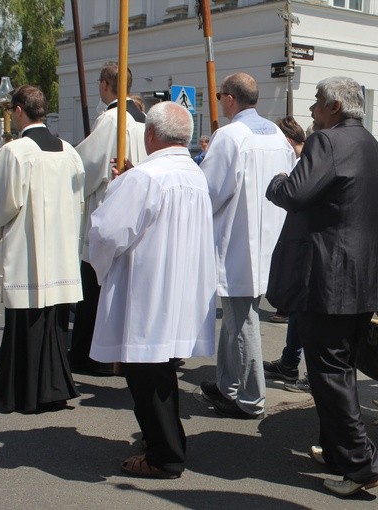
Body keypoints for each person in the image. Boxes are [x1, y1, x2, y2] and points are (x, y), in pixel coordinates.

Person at [266, 76, 378, 497]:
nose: (312, 110)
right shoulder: (373, 147)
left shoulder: (327, 142)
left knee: (330, 374)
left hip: (330, 281)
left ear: (335, 106)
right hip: (363, 282)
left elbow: (296, 193)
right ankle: (339, 451)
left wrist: (277, 181)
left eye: (317, 102)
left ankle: (362, 464)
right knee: (341, 371)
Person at [88, 101, 217, 479]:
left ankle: (165, 455)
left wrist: (117, 190)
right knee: (160, 370)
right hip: (180, 285)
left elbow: (107, 233)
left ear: (149, 135)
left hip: (148, 288)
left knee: (147, 374)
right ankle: (160, 441)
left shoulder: (144, 178)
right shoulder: (193, 174)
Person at [0, 85, 84, 413]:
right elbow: (79, 201)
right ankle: (52, 387)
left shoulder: (16, 152)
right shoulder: (69, 151)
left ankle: (22, 389)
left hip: (29, 251)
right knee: (53, 322)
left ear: (20, 110)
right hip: (62, 252)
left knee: (26, 321)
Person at [199, 73, 295, 419]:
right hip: (271, 239)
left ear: (228, 100)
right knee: (237, 317)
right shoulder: (278, 136)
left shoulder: (230, 136)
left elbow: (208, 193)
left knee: (242, 320)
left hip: (239, 242)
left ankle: (252, 397)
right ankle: (228, 386)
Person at [70, 61, 147, 376]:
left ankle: (95, 357)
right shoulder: (146, 121)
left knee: (97, 290)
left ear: (104, 85)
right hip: (140, 217)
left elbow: (82, 171)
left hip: (110, 214)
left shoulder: (112, 121)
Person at [263, 116, 310, 390]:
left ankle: (303, 370)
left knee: (305, 312)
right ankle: (289, 363)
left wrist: (281, 179)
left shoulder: (308, 163)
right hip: (297, 241)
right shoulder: (306, 161)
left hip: (306, 246)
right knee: (297, 310)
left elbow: (291, 195)